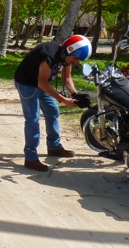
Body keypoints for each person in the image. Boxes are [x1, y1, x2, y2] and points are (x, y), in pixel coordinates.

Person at [13, 35, 92, 172]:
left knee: (53, 111)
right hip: (27, 83)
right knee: (33, 119)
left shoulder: (66, 57)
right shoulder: (48, 55)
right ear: (69, 50)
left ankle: (54, 147)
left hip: (41, 83)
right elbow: (41, 83)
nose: (75, 62)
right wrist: (63, 99)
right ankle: (30, 158)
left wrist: (75, 94)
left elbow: (66, 77)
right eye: (75, 58)